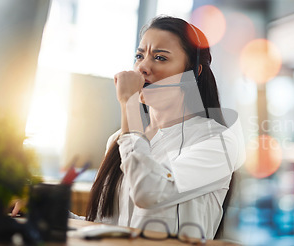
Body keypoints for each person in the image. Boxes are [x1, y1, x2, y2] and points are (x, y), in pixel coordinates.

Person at [83, 16, 244, 240]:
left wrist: (129, 105)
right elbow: (108, 226)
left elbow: (148, 192)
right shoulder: (119, 139)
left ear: (193, 73)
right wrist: (45, 211)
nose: (142, 68)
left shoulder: (218, 141)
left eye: (159, 58)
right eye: (139, 56)